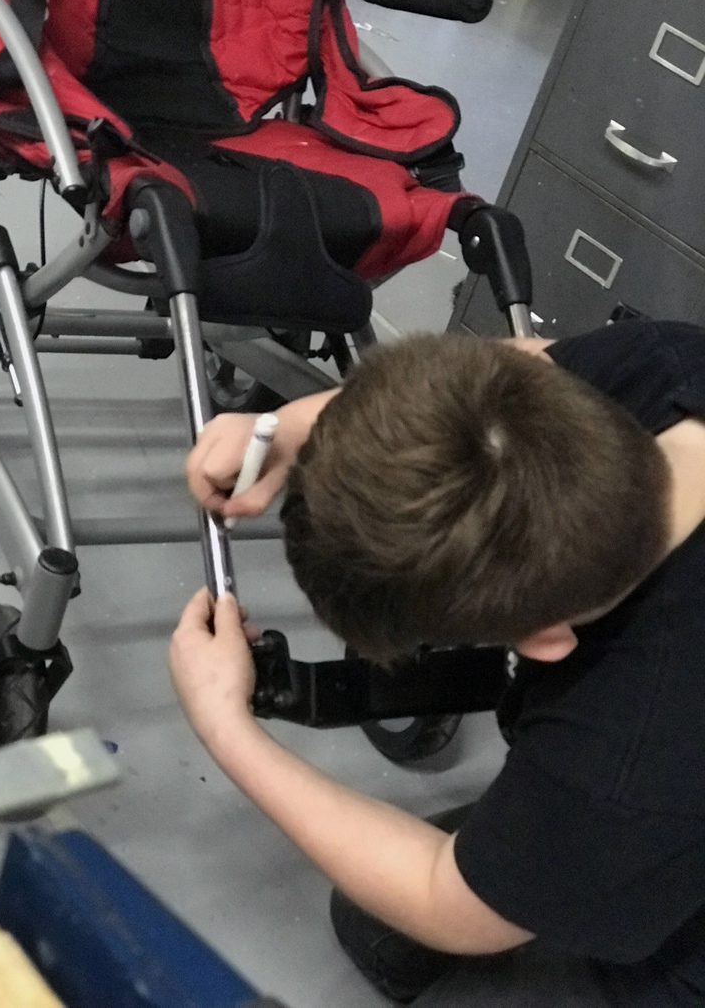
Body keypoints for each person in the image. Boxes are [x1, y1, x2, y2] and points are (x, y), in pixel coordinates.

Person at [170, 319, 705, 1006]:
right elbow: (517, 365)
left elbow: (441, 897)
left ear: (544, 638)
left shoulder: (626, 765)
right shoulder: (663, 364)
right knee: (374, 927)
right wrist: (289, 426)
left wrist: (225, 727)